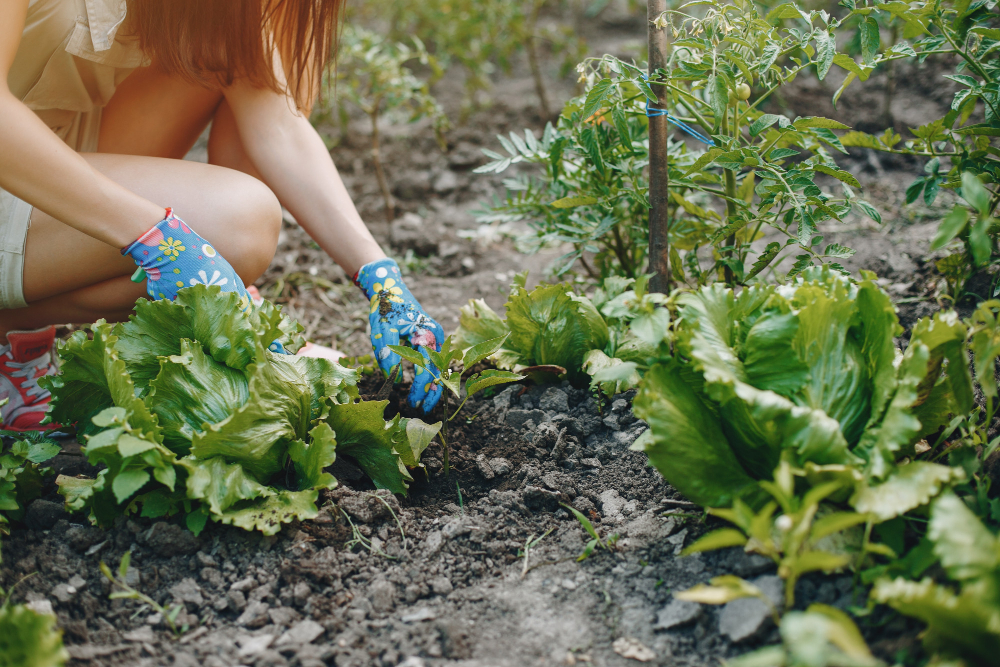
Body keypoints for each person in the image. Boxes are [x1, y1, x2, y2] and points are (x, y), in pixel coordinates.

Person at [0, 0, 444, 431]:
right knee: (240, 220)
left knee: (237, 37)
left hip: (56, 152)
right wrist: (154, 238)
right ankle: (12, 326)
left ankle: (225, 294)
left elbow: (277, 124)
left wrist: (380, 278)